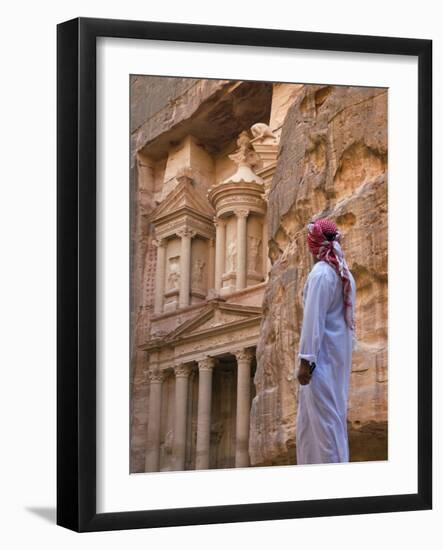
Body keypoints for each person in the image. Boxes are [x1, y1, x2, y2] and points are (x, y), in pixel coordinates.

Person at [295, 218, 356, 465]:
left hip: (320, 364)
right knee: (314, 425)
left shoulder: (321, 274)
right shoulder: (342, 273)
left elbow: (313, 320)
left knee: (325, 427)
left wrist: (305, 361)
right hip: (335, 360)